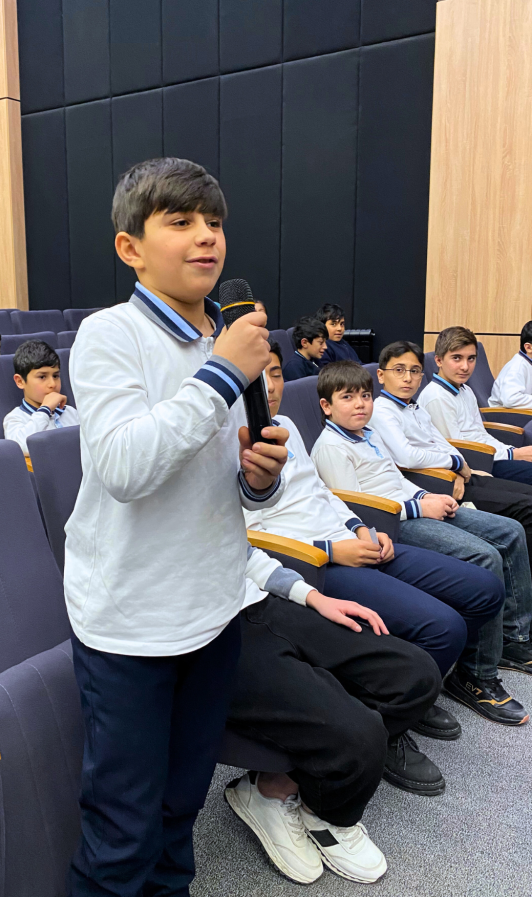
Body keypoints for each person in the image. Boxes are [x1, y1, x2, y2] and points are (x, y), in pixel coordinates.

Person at [65, 156, 290, 897]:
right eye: (182, 222)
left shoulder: (227, 338)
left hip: (213, 607)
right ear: (130, 247)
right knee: (122, 828)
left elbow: (227, 482)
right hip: (131, 621)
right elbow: (125, 468)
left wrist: (259, 480)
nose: (206, 237)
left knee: (179, 807)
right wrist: (222, 374)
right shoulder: (110, 334)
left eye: (215, 223)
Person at [224, 338, 445, 884]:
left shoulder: (270, 434)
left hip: (266, 592)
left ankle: (279, 786)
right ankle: (309, 804)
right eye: (252, 375)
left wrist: (312, 595)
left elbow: (237, 546)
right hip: (213, 622)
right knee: (358, 734)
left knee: (415, 674)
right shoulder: (171, 449)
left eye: (273, 374)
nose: (266, 388)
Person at [312, 361, 529, 726]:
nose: (360, 404)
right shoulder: (331, 447)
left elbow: (396, 479)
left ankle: (515, 637)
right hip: (391, 524)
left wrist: (426, 495)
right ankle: (477, 674)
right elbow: (356, 506)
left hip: (413, 506)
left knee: (511, 530)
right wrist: (418, 507)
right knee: (485, 557)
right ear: (327, 406)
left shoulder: (368, 433)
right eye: (347, 397)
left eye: (365, 396)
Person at [370, 341, 532, 609]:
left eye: (414, 371)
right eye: (399, 370)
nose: (408, 378)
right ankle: (519, 610)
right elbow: (407, 457)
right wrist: (455, 462)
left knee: (528, 497)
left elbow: (441, 442)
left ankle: (524, 597)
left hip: (455, 476)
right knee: (525, 509)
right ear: (381, 375)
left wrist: (460, 465)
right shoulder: (383, 410)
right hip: (437, 485)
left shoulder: (413, 406)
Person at [419, 326, 532, 486]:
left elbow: (481, 434)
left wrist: (511, 451)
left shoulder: (465, 389)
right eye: (457, 358)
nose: (465, 366)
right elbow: (458, 450)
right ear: (439, 361)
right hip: (476, 466)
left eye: (471, 358)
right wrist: (512, 455)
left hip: (490, 456)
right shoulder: (437, 397)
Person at [3, 339, 79, 455]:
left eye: (56, 376)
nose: (52, 384)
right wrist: (45, 409)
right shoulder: (15, 418)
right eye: (42, 377)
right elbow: (22, 447)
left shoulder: (70, 412)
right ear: (20, 381)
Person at [488, 320, 532, 409]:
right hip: (504, 414)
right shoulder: (517, 367)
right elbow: (511, 399)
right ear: (528, 347)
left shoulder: (527, 363)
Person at [282, 317, 327, 382]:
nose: (325, 347)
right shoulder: (294, 366)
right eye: (321, 343)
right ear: (304, 343)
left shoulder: (315, 359)